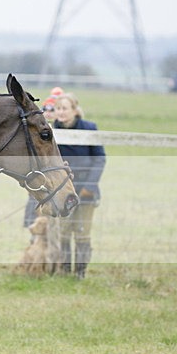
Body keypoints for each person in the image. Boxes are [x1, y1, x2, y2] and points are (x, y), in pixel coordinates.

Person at [52, 92, 106, 279]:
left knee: (82, 232)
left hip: (86, 190)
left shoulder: (89, 129)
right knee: (64, 232)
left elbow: (99, 159)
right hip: (62, 191)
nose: (61, 112)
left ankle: (80, 272)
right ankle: (65, 270)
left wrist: (88, 188)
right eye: (58, 108)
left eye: (65, 108)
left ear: (75, 110)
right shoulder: (51, 131)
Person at [24, 86, 64, 227]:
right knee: (34, 200)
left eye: (52, 109)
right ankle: (32, 227)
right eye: (45, 109)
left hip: (54, 173)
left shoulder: (60, 127)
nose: (48, 112)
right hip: (39, 173)